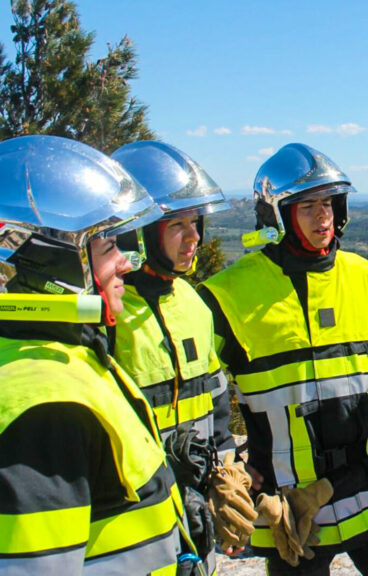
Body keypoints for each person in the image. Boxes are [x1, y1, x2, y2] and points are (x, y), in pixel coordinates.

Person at [0, 135, 201, 574]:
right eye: (110, 247)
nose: (128, 263)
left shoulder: (56, 361)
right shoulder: (40, 408)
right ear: (53, 268)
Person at [198, 143, 368, 575]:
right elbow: (198, 381)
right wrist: (224, 462)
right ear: (277, 215)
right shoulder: (227, 294)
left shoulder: (364, 277)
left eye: (328, 203)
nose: (323, 216)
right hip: (288, 501)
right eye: (306, 206)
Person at [111, 141, 244, 571]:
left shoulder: (192, 303)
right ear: (137, 231)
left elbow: (216, 404)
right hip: (132, 521)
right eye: (176, 225)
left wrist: (227, 473)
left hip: (194, 512)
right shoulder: (106, 314)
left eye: (195, 223)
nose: (194, 238)